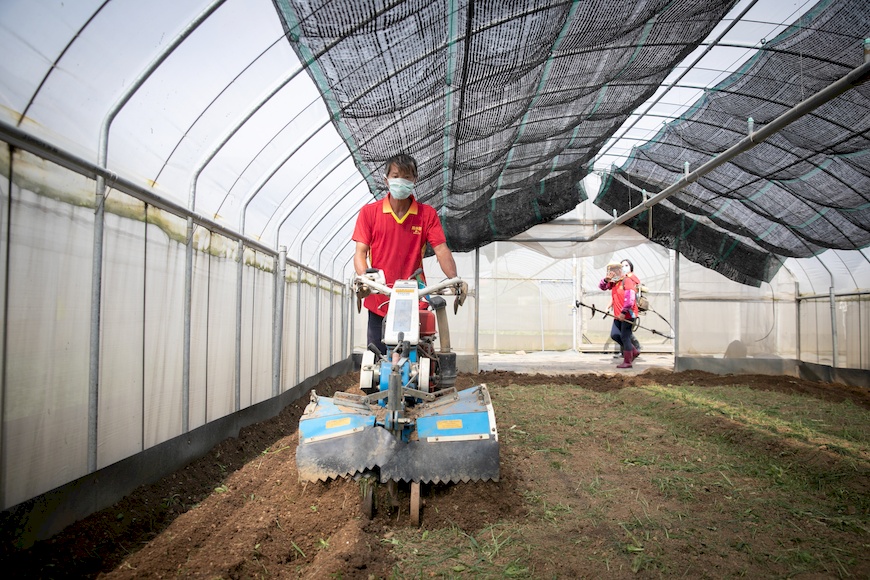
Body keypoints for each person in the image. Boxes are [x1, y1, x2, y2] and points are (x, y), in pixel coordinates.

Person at [352, 153, 458, 354]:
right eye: (395, 176)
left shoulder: (426, 214)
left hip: (415, 297)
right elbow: (360, 253)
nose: (401, 181)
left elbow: (441, 249)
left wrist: (454, 279)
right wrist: (366, 279)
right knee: (377, 359)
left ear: (415, 180)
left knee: (419, 355)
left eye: (407, 177)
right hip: (380, 298)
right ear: (386, 179)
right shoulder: (369, 213)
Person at [599, 261, 639, 368]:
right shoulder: (614, 282)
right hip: (618, 315)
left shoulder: (627, 281)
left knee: (625, 337)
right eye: (611, 270)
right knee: (615, 335)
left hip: (627, 314)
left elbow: (630, 299)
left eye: (616, 269)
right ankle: (633, 351)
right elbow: (602, 287)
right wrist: (605, 280)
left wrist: (623, 312)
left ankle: (627, 361)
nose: (614, 272)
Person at [619, 259, 642, 358]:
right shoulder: (621, 280)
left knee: (625, 334)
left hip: (629, 312)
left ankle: (633, 351)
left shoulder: (629, 279)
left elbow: (630, 298)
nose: (624, 267)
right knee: (623, 334)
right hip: (623, 311)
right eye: (622, 266)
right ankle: (628, 353)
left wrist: (624, 311)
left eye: (626, 265)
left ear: (631, 268)